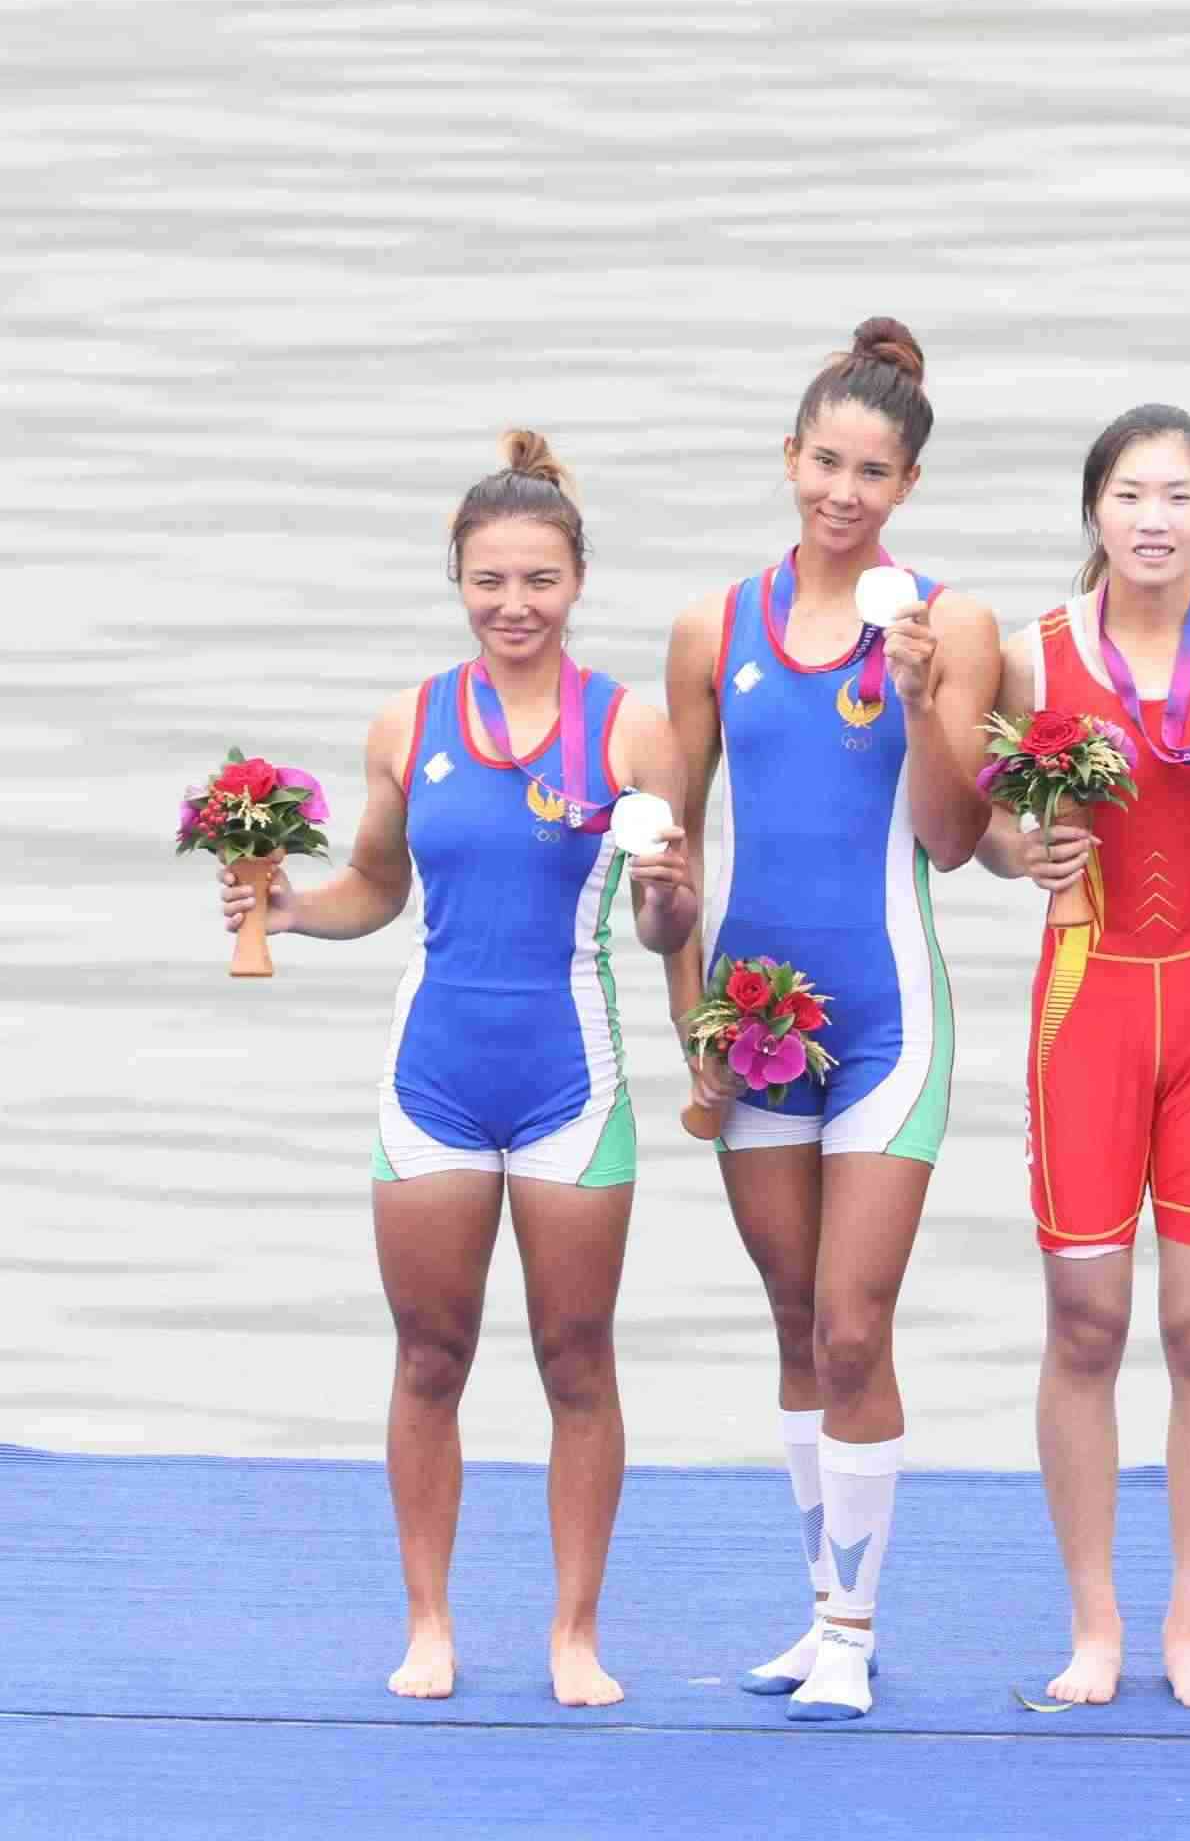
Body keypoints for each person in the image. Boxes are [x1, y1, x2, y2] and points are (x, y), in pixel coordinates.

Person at [219, 431, 698, 1707]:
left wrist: (670, 898)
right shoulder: (408, 722)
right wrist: (288, 907)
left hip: (571, 1084)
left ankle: (574, 1634)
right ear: (458, 581)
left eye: (539, 580)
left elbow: (665, 926)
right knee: (430, 1356)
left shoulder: (633, 731)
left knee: (576, 1359)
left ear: (578, 580)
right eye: (489, 580)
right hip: (433, 1080)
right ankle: (428, 1621)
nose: (513, 604)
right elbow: (377, 886)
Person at [661, 319, 1002, 1723]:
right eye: (825, 463)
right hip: (753, 1024)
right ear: (789, 457)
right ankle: (818, 1615)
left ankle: (855, 1634)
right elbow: (674, 853)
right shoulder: (713, 629)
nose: (843, 493)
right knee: (798, 1323)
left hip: (885, 1020)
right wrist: (689, 1027)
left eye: (873, 472)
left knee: (856, 1325)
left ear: (907, 485)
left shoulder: (950, 626)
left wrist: (920, 701)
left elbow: (957, 837)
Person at [975, 405, 1190, 1709]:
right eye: (1130, 495)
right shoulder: (1029, 657)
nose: (1154, 519)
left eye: (1178, 496)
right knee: (1086, 1320)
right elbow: (984, 824)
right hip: (1088, 1005)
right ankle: (1094, 1626)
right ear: (1095, 510)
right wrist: (1024, 850)